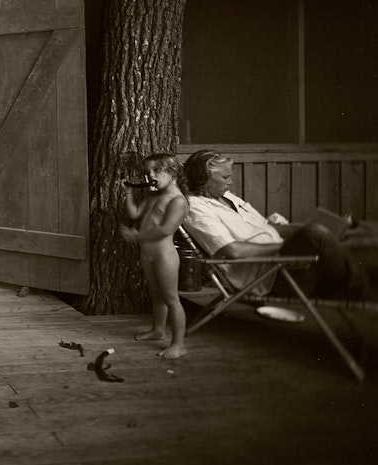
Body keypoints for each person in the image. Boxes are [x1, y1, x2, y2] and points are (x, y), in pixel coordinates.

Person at [183, 150, 375, 300]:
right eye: (225, 178)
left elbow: (268, 227)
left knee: (352, 237)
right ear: (204, 179)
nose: (231, 182)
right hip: (270, 279)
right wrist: (289, 247)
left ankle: (365, 289)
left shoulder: (227, 197)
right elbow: (232, 251)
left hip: (288, 264)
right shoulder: (196, 208)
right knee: (317, 234)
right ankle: (365, 293)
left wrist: (324, 231)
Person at [120, 152, 190, 359]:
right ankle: (158, 330)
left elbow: (165, 229)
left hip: (164, 256)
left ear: (173, 172)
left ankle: (179, 344)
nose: (150, 176)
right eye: (147, 172)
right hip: (148, 254)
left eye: (156, 170)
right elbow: (134, 214)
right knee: (156, 295)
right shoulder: (153, 195)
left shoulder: (178, 201)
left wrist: (136, 236)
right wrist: (129, 193)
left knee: (171, 298)